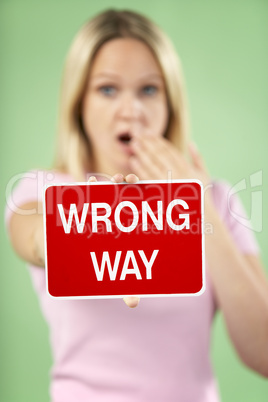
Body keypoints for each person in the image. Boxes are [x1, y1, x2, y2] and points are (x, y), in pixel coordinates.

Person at [5, 8, 268, 402]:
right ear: (79, 104)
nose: (131, 110)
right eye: (107, 89)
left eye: (149, 89)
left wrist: (199, 209)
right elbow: (34, 239)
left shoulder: (217, 200)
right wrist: (102, 222)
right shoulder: (41, 189)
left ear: (170, 104)